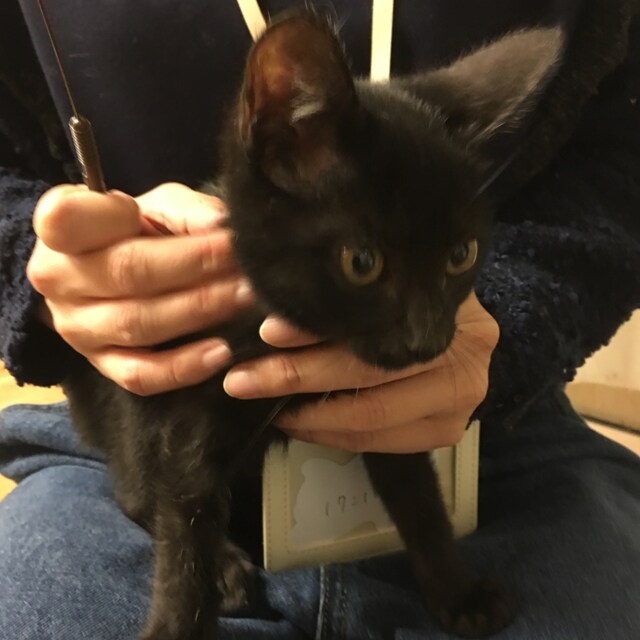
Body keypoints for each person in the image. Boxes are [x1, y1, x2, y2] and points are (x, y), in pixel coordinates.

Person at [0, 0, 638, 638]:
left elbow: (617, 174)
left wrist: (510, 315)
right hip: (133, 454)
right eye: (363, 263)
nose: (425, 336)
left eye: (459, 257)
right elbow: (188, 472)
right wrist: (32, 262)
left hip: (489, 426)